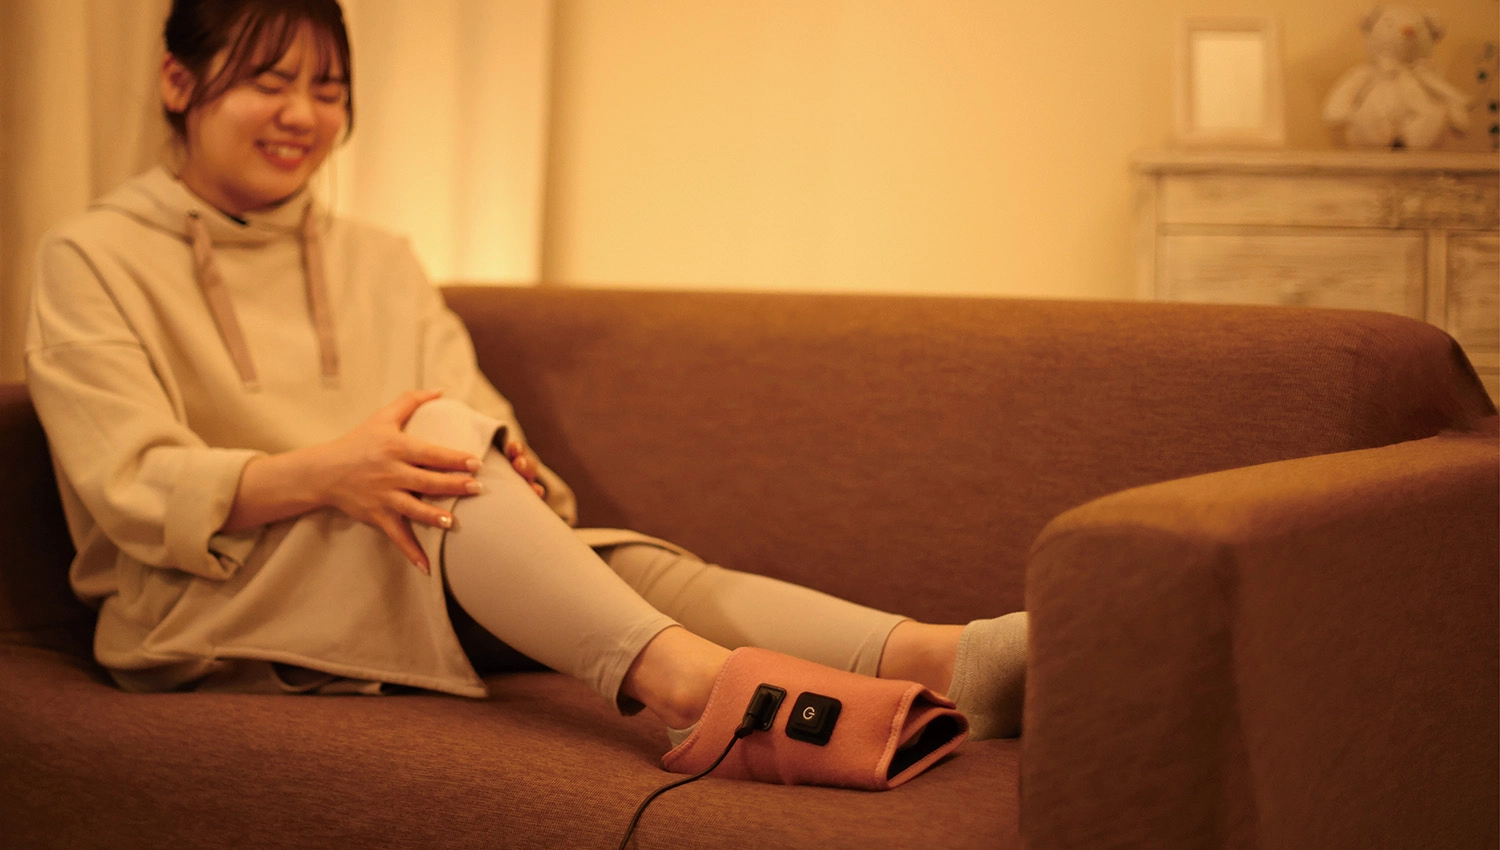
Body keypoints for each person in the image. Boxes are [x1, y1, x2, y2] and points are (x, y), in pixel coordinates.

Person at [25, 0, 1026, 760]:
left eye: (328, 91)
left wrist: (506, 462)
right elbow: (127, 481)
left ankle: (953, 660)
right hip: (208, 600)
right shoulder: (92, 256)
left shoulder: (377, 257)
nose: (302, 115)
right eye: (268, 82)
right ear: (178, 81)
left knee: (626, 565)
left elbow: (468, 408)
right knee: (455, 455)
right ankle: (689, 687)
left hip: (404, 553)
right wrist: (332, 472)